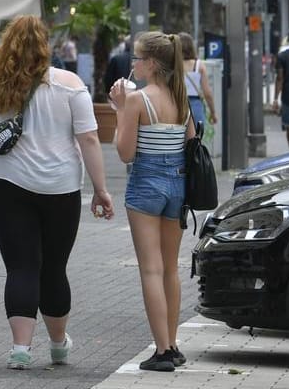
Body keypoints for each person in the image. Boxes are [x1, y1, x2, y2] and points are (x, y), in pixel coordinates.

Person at [0, 14, 114, 370]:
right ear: (45, 48)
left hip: (7, 190)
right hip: (61, 189)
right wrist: (101, 190)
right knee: (54, 268)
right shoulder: (70, 85)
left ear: (6, 47)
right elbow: (88, 138)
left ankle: (20, 349)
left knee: (21, 267)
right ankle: (58, 345)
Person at [109, 32, 195, 372]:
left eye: (137, 59)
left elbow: (125, 151)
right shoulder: (181, 98)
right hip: (177, 183)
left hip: (146, 182)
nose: (133, 64)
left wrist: (118, 110)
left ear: (152, 64)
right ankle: (172, 343)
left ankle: (160, 351)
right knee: (171, 267)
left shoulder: (137, 100)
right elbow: (190, 143)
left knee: (150, 268)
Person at [176, 32, 216, 134]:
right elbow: (207, 93)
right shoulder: (199, 65)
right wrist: (213, 112)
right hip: (195, 105)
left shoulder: (173, 65)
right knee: (195, 141)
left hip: (176, 103)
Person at [100, 34, 133, 100]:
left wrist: (109, 94)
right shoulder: (142, 60)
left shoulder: (116, 59)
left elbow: (108, 79)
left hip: (118, 96)